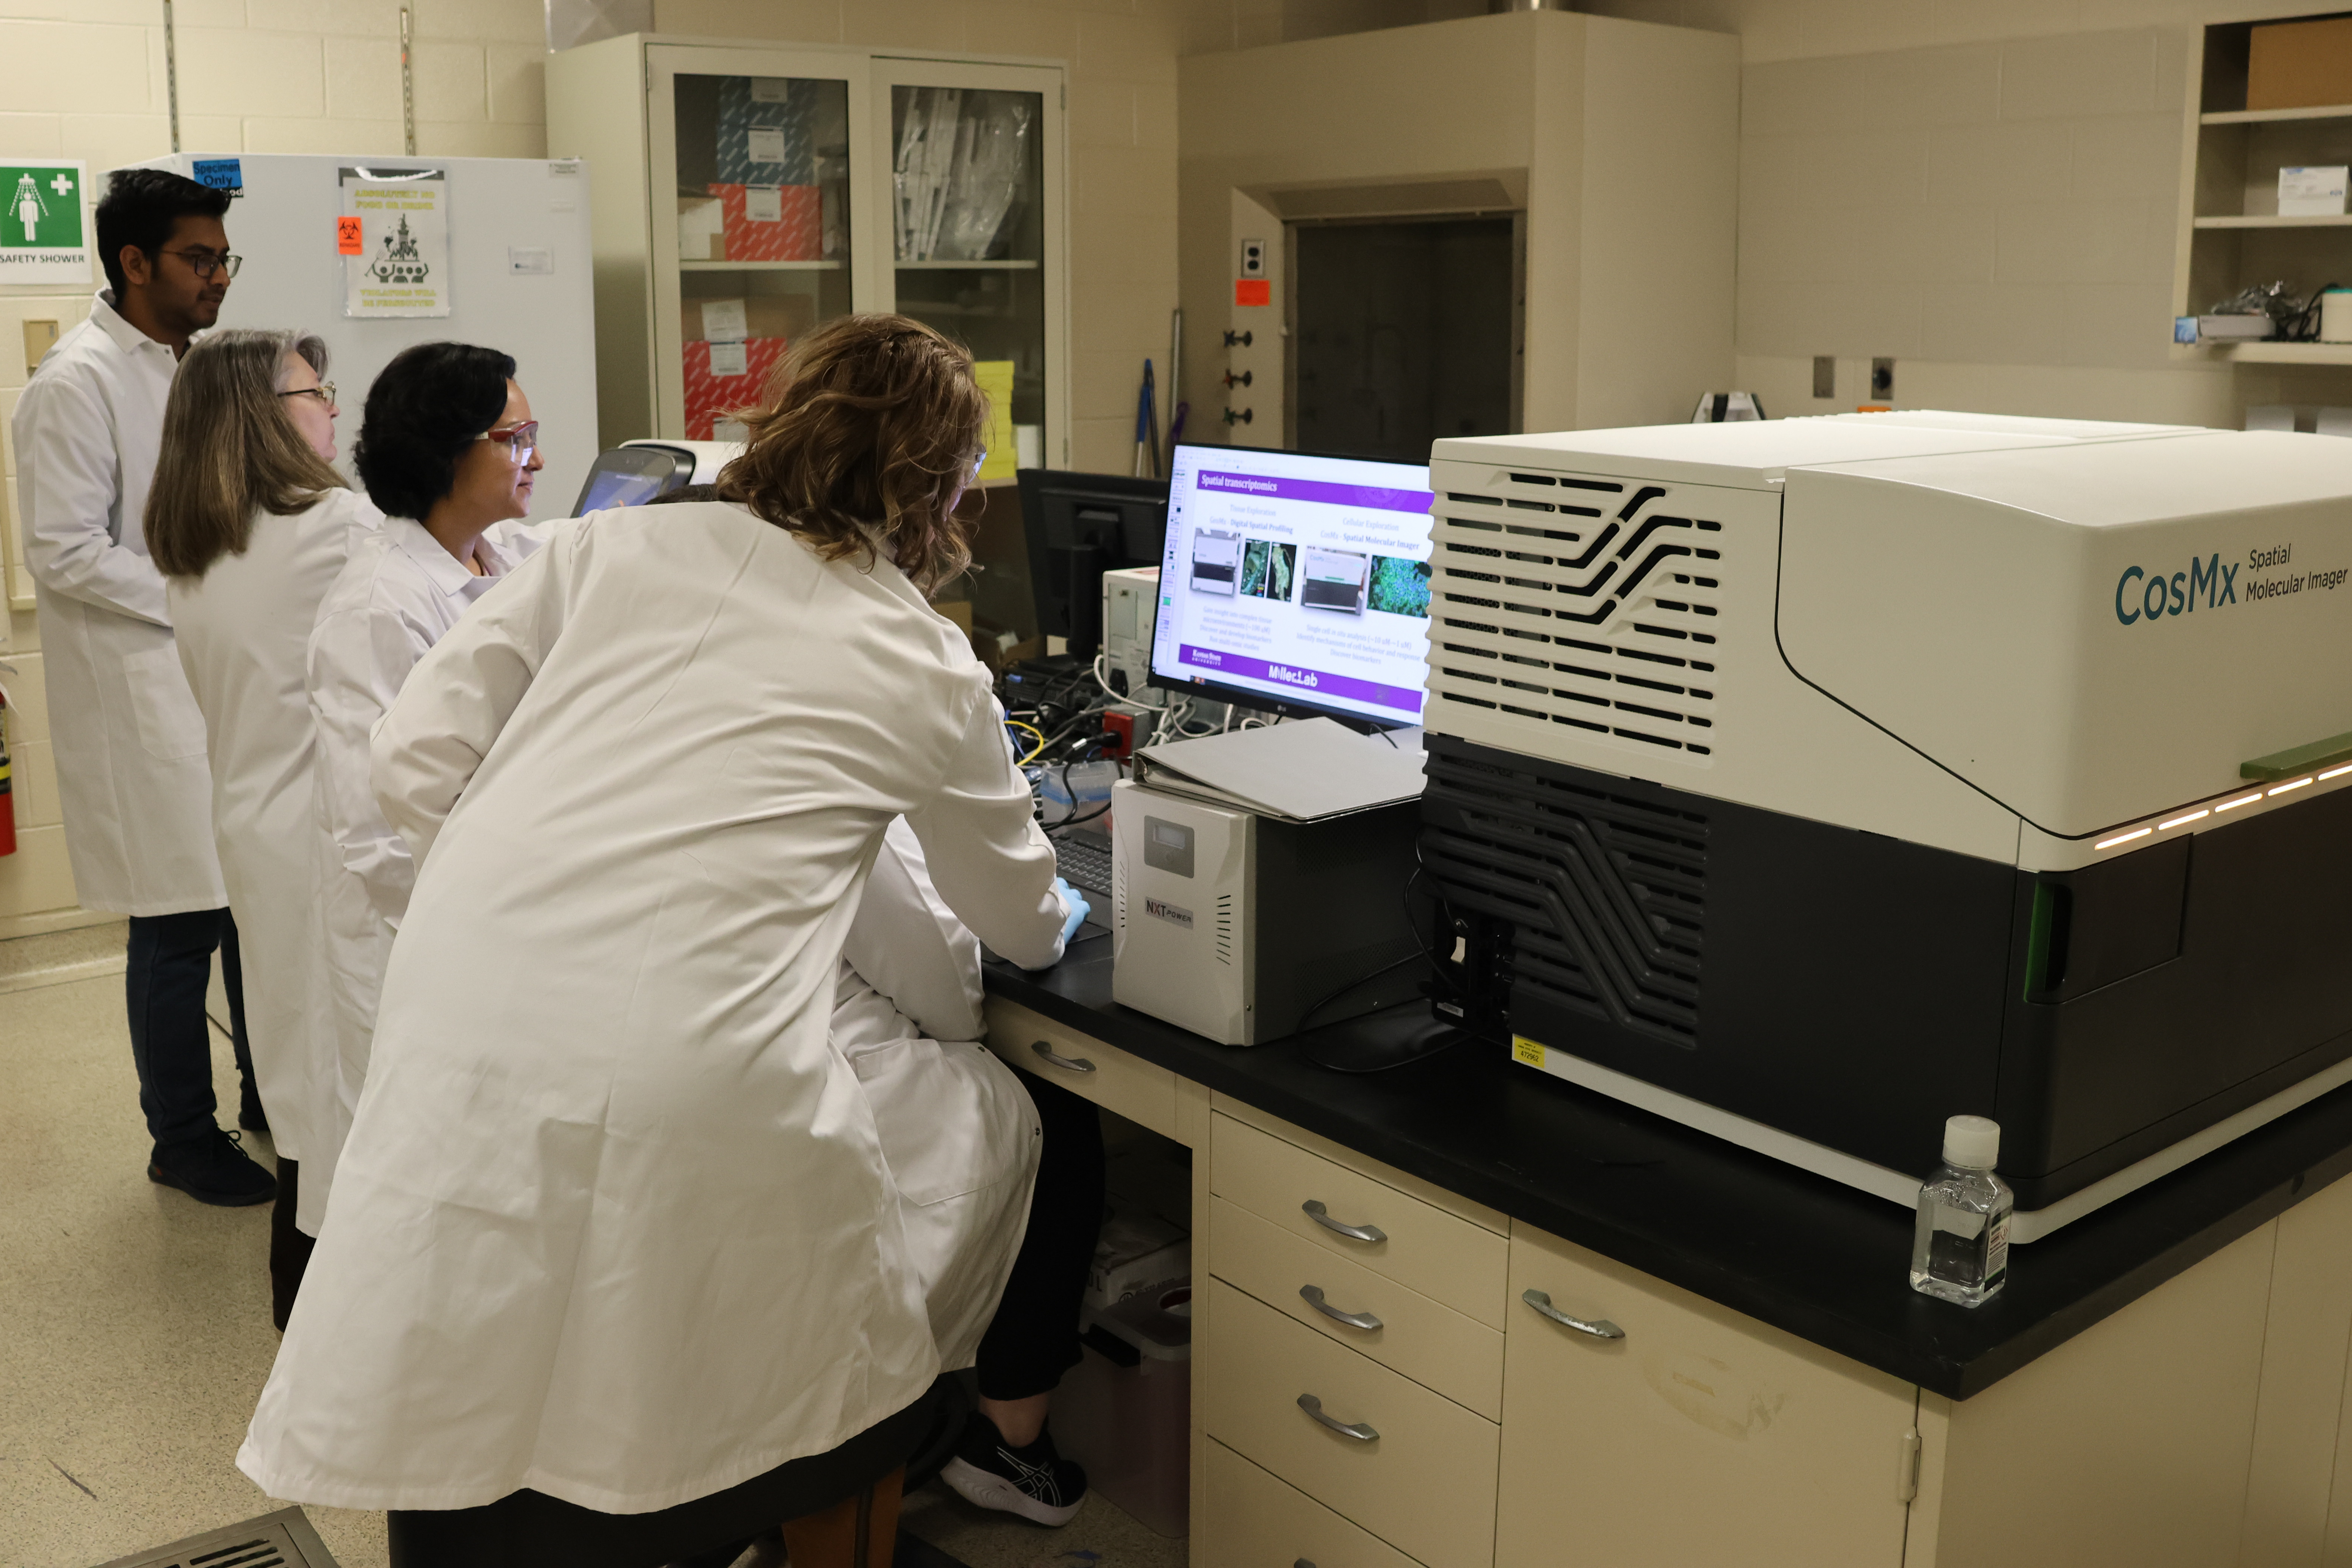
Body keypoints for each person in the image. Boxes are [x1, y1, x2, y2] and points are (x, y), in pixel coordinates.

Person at [239, 314, 1085, 1566]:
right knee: (948, 1180)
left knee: (494, 1354)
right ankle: (894, 1458)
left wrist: (557, 865)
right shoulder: (922, 656)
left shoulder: (603, 548)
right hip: (702, 1085)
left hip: (461, 1024)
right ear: (944, 489)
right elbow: (1019, 919)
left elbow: (410, 759)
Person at [10, 166, 273, 1206]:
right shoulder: (74, 382)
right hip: (144, 688)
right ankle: (182, 1137)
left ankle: (270, 1093)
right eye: (198, 259)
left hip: (215, 680)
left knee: (248, 899)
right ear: (133, 262)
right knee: (177, 922)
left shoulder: (192, 367)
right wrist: (200, 599)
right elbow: (63, 549)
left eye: (224, 258)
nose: (218, 278)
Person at [147, 329, 384, 1327]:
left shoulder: (197, 547)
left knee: (299, 1073)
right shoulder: (335, 526)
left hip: (255, 828)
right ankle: (344, 1319)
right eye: (314, 392)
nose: (332, 407)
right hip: (328, 837)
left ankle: (302, 1298)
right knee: (350, 1075)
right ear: (261, 414)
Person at [304, 341, 545, 1243]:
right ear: (449, 452)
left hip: (494, 915)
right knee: (412, 1179)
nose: (537, 458)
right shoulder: (378, 603)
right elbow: (374, 831)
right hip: (418, 932)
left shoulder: (497, 558)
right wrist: (482, 926)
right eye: (515, 439)